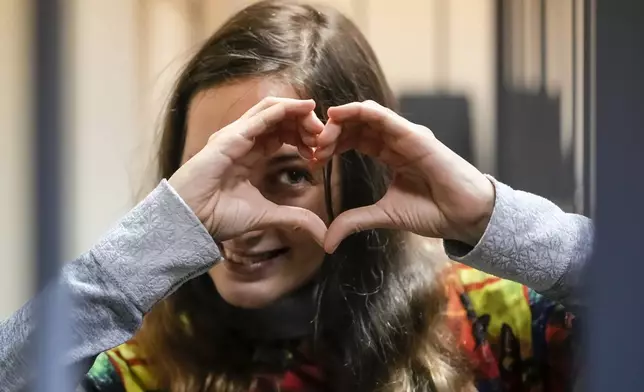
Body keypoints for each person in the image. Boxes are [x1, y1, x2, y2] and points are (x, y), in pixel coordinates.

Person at [0, 1, 592, 391]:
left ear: (358, 182)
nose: (238, 220)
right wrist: (143, 251)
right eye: (208, 173)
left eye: (288, 176)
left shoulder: (487, 324)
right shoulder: (136, 367)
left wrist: (487, 212)